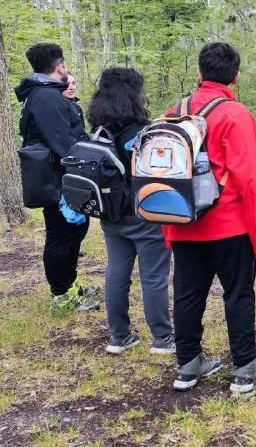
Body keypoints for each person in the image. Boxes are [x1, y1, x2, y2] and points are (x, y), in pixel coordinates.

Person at [164, 42, 256, 397]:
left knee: (186, 294)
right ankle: (245, 369)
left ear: (199, 73)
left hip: (182, 221)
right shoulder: (235, 114)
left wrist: (168, 229)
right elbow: (250, 181)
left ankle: (187, 365)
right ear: (236, 76)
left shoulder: (172, 112)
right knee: (238, 294)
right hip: (229, 225)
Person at [85, 67, 175, 355]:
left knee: (116, 271)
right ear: (133, 95)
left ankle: (119, 335)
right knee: (153, 276)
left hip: (110, 213)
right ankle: (162, 337)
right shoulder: (139, 133)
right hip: (143, 213)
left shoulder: (97, 129)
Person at [14, 43, 99, 312]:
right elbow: (63, 142)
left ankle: (70, 284)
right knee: (61, 234)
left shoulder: (43, 94)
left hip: (59, 175)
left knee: (73, 230)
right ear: (60, 66)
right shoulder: (46, 97)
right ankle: (62, 295)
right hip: (56, 179)